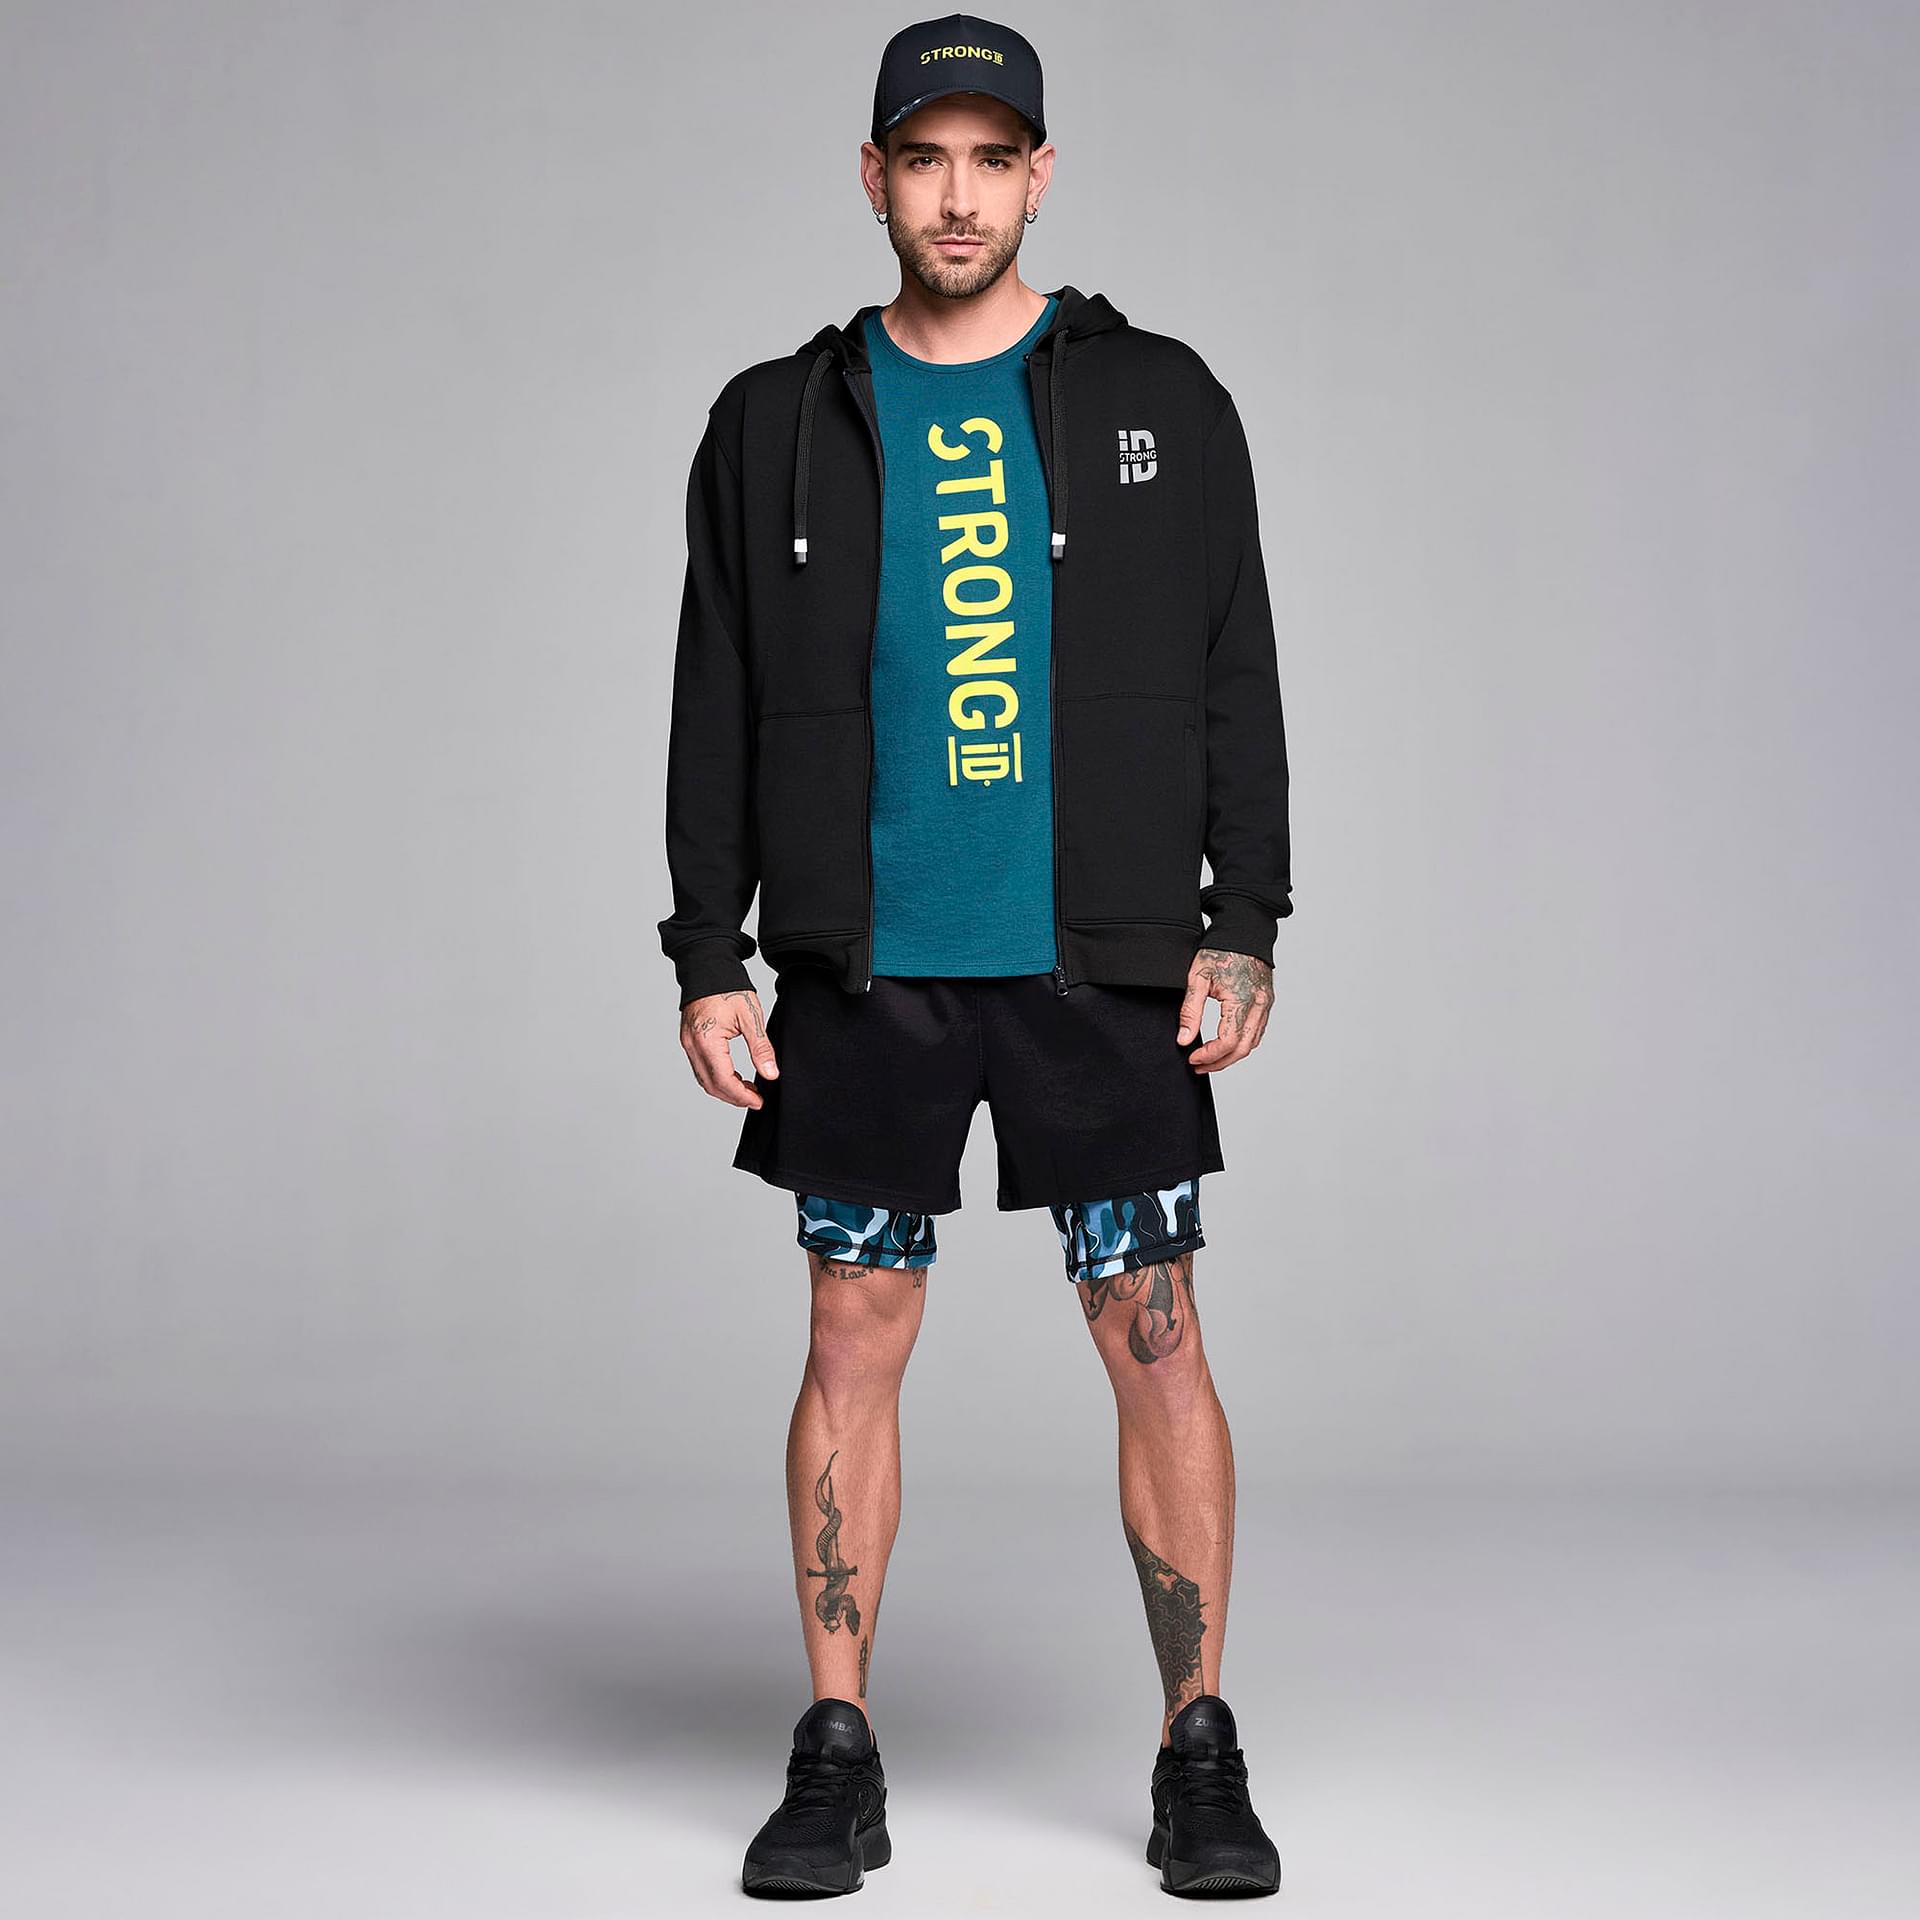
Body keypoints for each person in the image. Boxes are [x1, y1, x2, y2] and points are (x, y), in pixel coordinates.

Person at [657, 13, 1290, 1899]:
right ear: (873, 178)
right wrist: (708, 951)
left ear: (1038, 178)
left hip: (1104, 965)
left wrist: (1242, 922)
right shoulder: (774, 419)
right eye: (923, 159)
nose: (957, 196)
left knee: (1155, 1335)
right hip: (871, 965)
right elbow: (713, 696)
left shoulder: (1160, 397)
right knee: (852, 1333)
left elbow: (1235, 671)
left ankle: (1197, 1746)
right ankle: (835, 1748)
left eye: (991, 160)